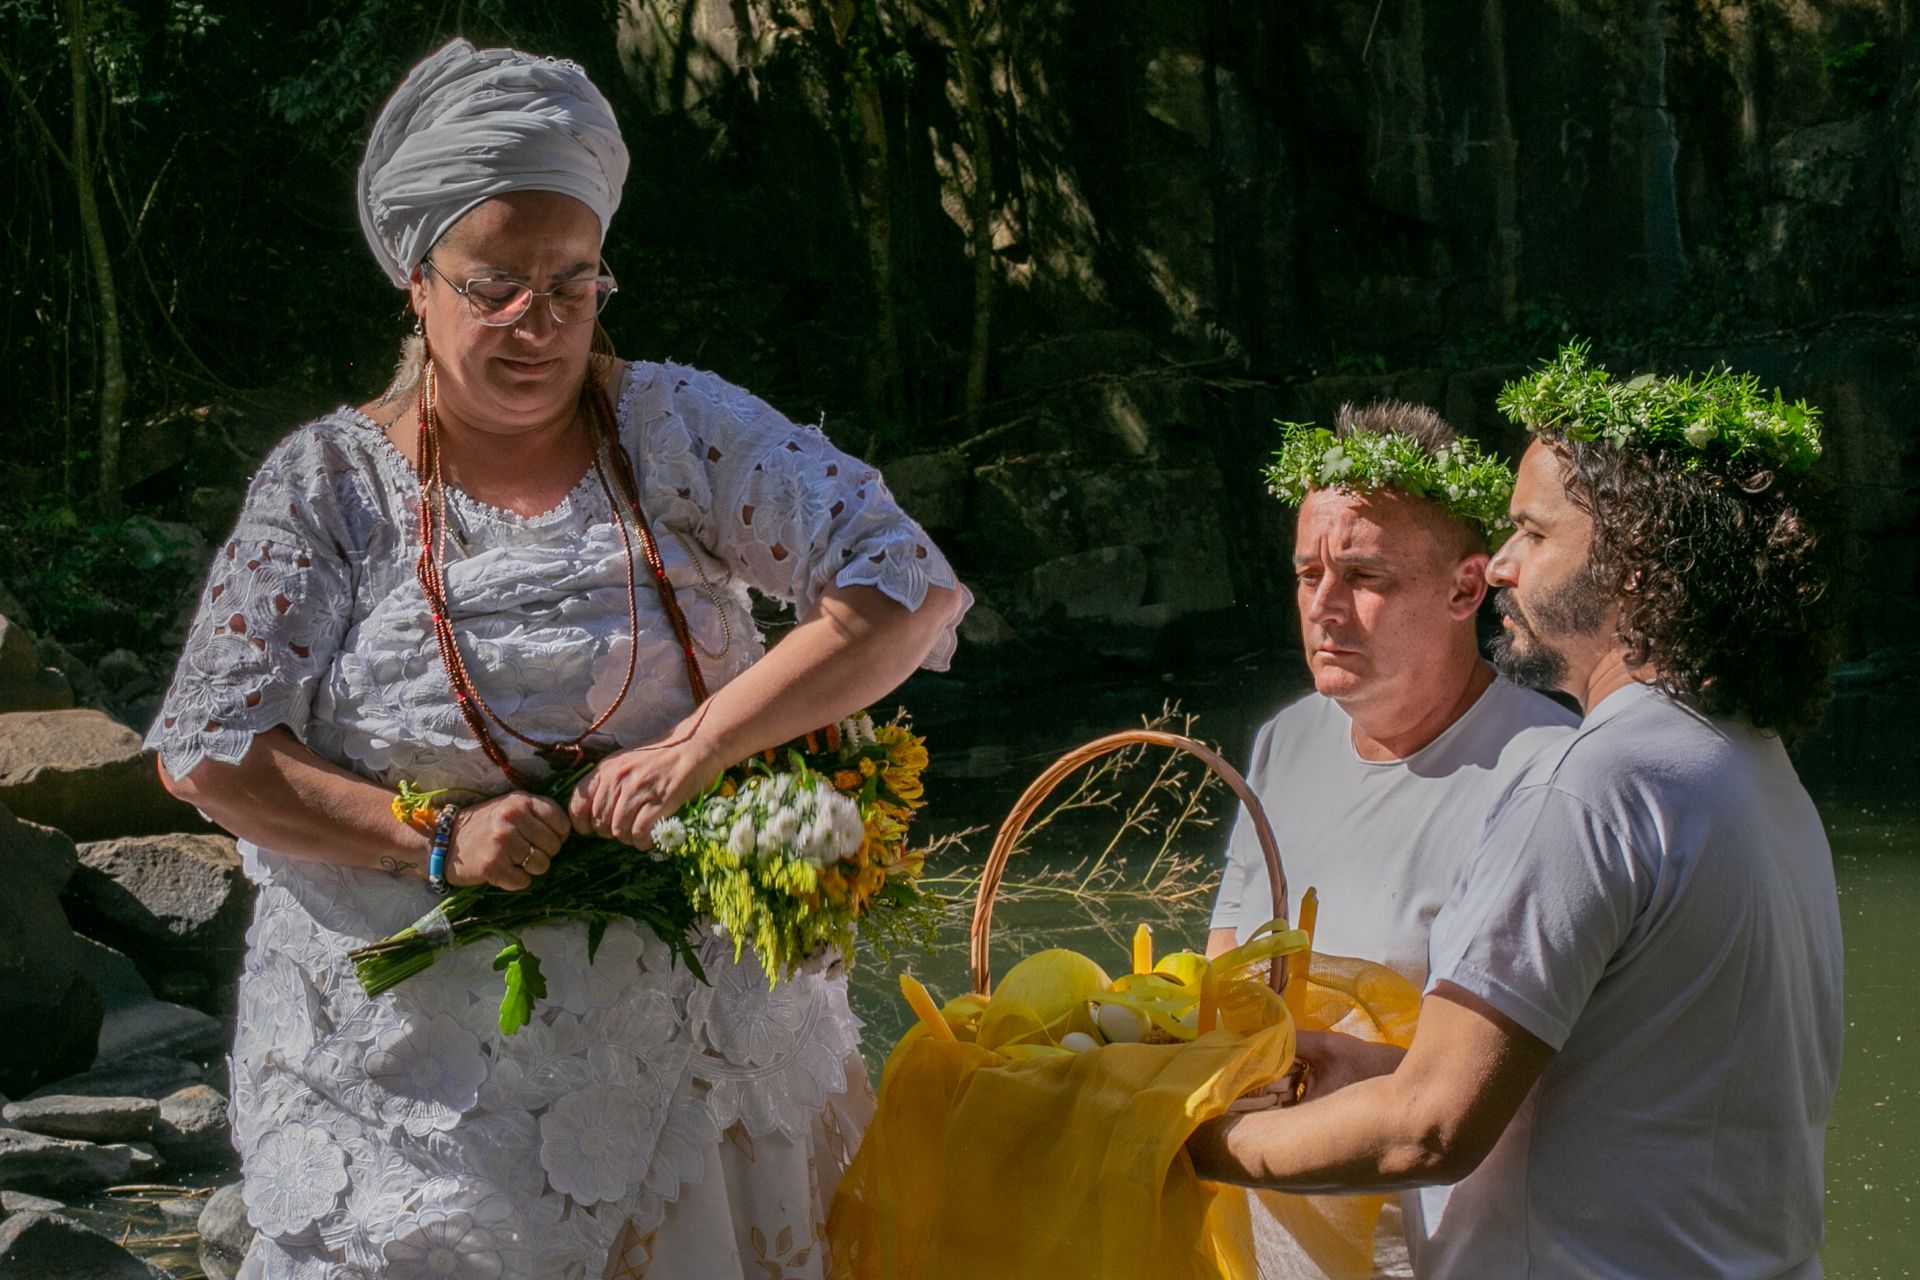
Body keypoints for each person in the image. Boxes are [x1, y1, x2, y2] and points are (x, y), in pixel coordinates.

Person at [146, 39, 968, 1280]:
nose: (541, 324)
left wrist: (704, 743)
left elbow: (902, 588)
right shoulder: (329, 488)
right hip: (418, 1094)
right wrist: (433, 839)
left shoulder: (678, 427)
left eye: (573, 287)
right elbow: (210, 753)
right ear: (416, 284)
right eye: (497, 288)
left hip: (694, 1061)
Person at [1188, 347, 1846, 1280]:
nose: (1498, 566)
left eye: (1533, 536)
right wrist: (1381, 1071)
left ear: (1635, 565)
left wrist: (1186, 1143)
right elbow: (1633, 1089)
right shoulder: (1748, 762)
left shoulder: (1587, 784)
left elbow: (1429, 1131)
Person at [1205, 400, 1576, 1276]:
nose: (1325, 608)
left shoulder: (1552, 771)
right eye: (1306, 575)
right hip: (1266, 1231)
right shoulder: (1284, 741)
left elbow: (1594, 1083)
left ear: (1465, 588)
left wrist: (1385, 1074)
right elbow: (1222, 968)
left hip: (1447, 1250)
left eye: (1365, 578)